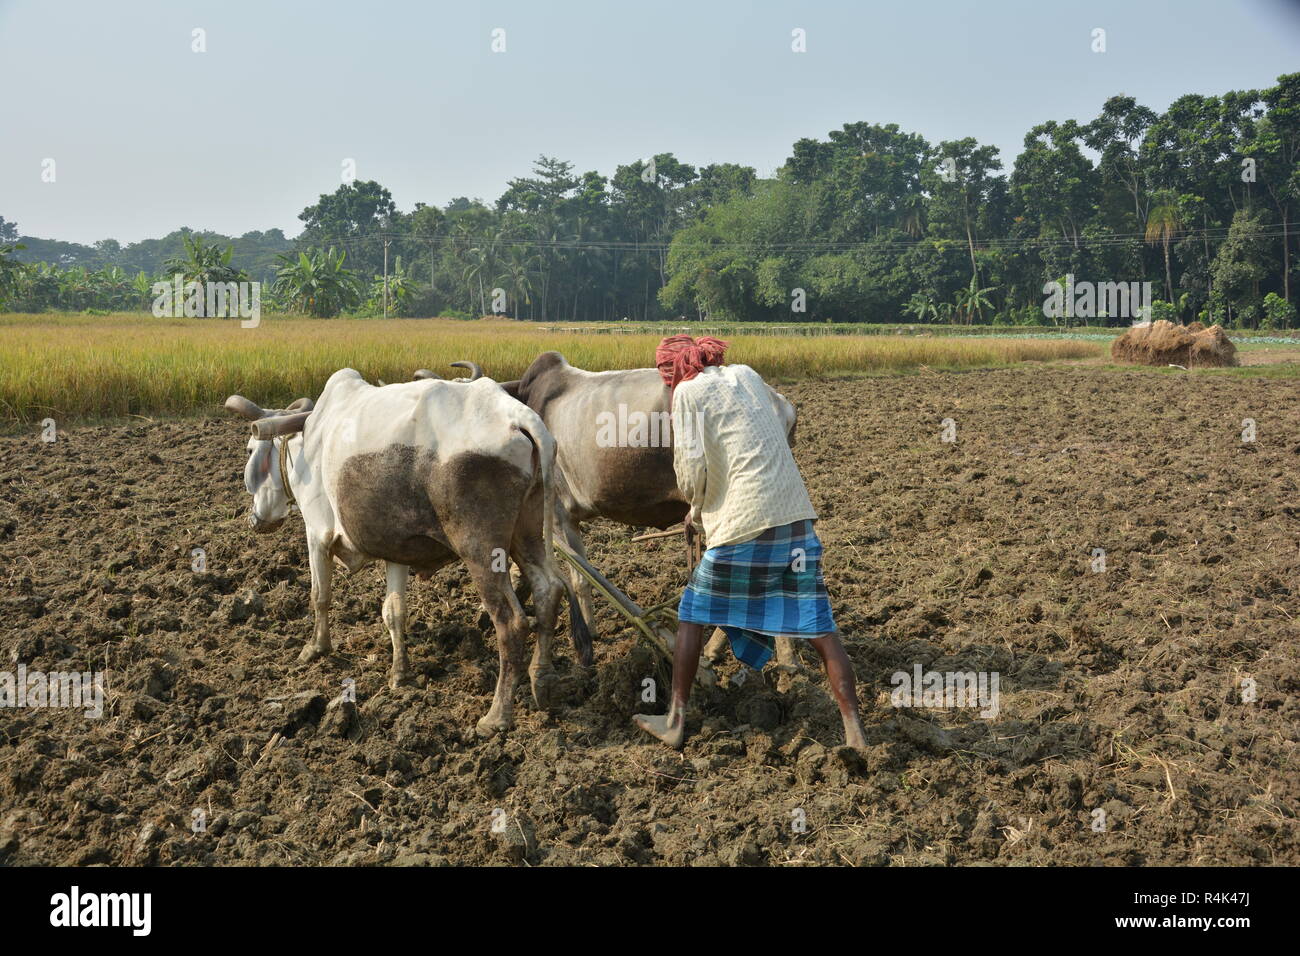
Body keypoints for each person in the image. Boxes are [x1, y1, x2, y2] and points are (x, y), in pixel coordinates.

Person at [633, 334, 868, 751]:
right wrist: (703, 513)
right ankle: (855, 733)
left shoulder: (686, 393)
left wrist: (696, 512)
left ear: (672, 371)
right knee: (820, 627)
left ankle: (674, 721)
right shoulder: (746, 375)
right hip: (796, 517)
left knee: (693, 615)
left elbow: (690, 471)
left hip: (745, 523)